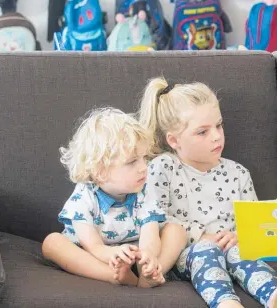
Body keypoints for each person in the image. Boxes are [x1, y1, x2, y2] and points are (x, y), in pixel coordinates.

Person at [139, 78, 277, 308]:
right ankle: (226, 303)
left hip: (232, 251)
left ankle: (276, 296)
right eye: (202, 132)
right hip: (186, 255)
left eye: (219, 125)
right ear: (174, 140)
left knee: (240, 254)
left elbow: (256, 225)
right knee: (207, 249)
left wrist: (240, 237)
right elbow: (155, 218)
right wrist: (199, 236)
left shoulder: (238, 173)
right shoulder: (163, 167)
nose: (216, 136)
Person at [42, 107, 187, 287]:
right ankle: (112, 275)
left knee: (176, 230)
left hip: (136, 253)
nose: (144, 167)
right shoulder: (84, 195)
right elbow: (93, 246)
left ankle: (149, 275)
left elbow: (150, 234)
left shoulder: (143, 190)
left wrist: (148, 256)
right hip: (96, 255)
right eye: (133, 161)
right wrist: (111, 254)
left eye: (144, 158)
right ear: (100, 171)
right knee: (52, 242)